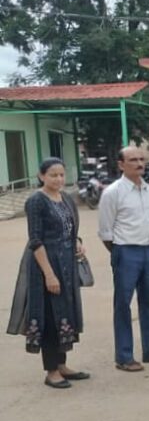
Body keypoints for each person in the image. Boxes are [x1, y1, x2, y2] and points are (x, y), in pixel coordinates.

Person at [8, 158, 87, 388]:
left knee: (65, 313)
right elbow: (35, 240)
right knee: (51, 316)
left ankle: (62, 365)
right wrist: (49, 275)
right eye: (53, 175)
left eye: (61, 174)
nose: (59, 179)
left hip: (66, 265)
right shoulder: (36, 201)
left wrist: (77, 242)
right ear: (41, 176)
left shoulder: (65, 198)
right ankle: (51, 371)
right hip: (46, 265)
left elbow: (69, 228)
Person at [98, 147, 149, 372]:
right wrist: (119, 252)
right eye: (133, 160)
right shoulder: (113, 192)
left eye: (142, 159)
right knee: (123, 303)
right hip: (125, 251)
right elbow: (106, 231)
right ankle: (124, 356)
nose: (139, 164)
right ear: (121, 164)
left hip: (148, 250)